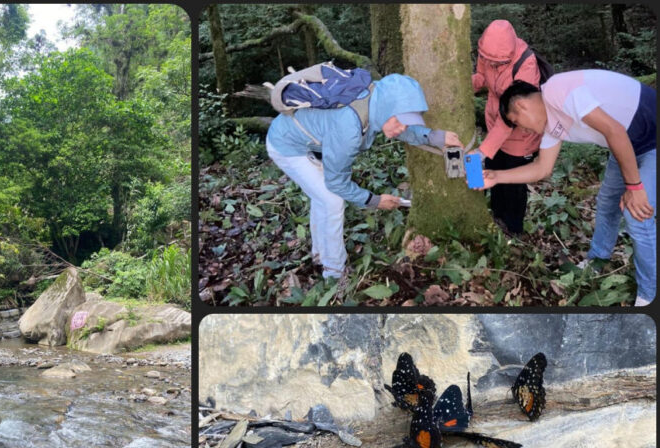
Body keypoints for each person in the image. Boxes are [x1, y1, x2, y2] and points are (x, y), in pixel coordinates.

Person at [266, 73, 463, 279]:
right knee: (331, 199)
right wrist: (374, 200)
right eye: (401, 121)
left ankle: (319, 254)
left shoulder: (376, 100)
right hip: (287, 146)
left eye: (407, 122)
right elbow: (336, 182)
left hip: (309, 140)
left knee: (322, 197)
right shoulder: (349, 128)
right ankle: (334, 272)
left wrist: (433, 136)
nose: (403, 128)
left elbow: (399, 126)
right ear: (388, 110)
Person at [484, 72, 656, 306]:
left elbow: (613, 129)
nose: (523, 131)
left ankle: (649, 295)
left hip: (650, 137)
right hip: (626, 144)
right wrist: (496, 176)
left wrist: (634, 186)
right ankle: (597, 261)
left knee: (637, 215)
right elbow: (542, 169)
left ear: (521, 106)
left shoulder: (556, 90)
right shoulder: (553, 122)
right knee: (607, 203)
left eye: (516, 123)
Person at [471, 20, 542, 234]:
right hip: (494, 125)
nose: (493, 65)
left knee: (513, 183)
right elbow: (482, 77)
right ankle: (496, 217)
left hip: (520, 134)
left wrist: (483, 151)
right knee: (494, 173)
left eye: (498, 62)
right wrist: (463, 85)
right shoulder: (486, 55)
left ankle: (513, 228)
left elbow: (514, 115)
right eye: (488, 60)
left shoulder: (526, 65)